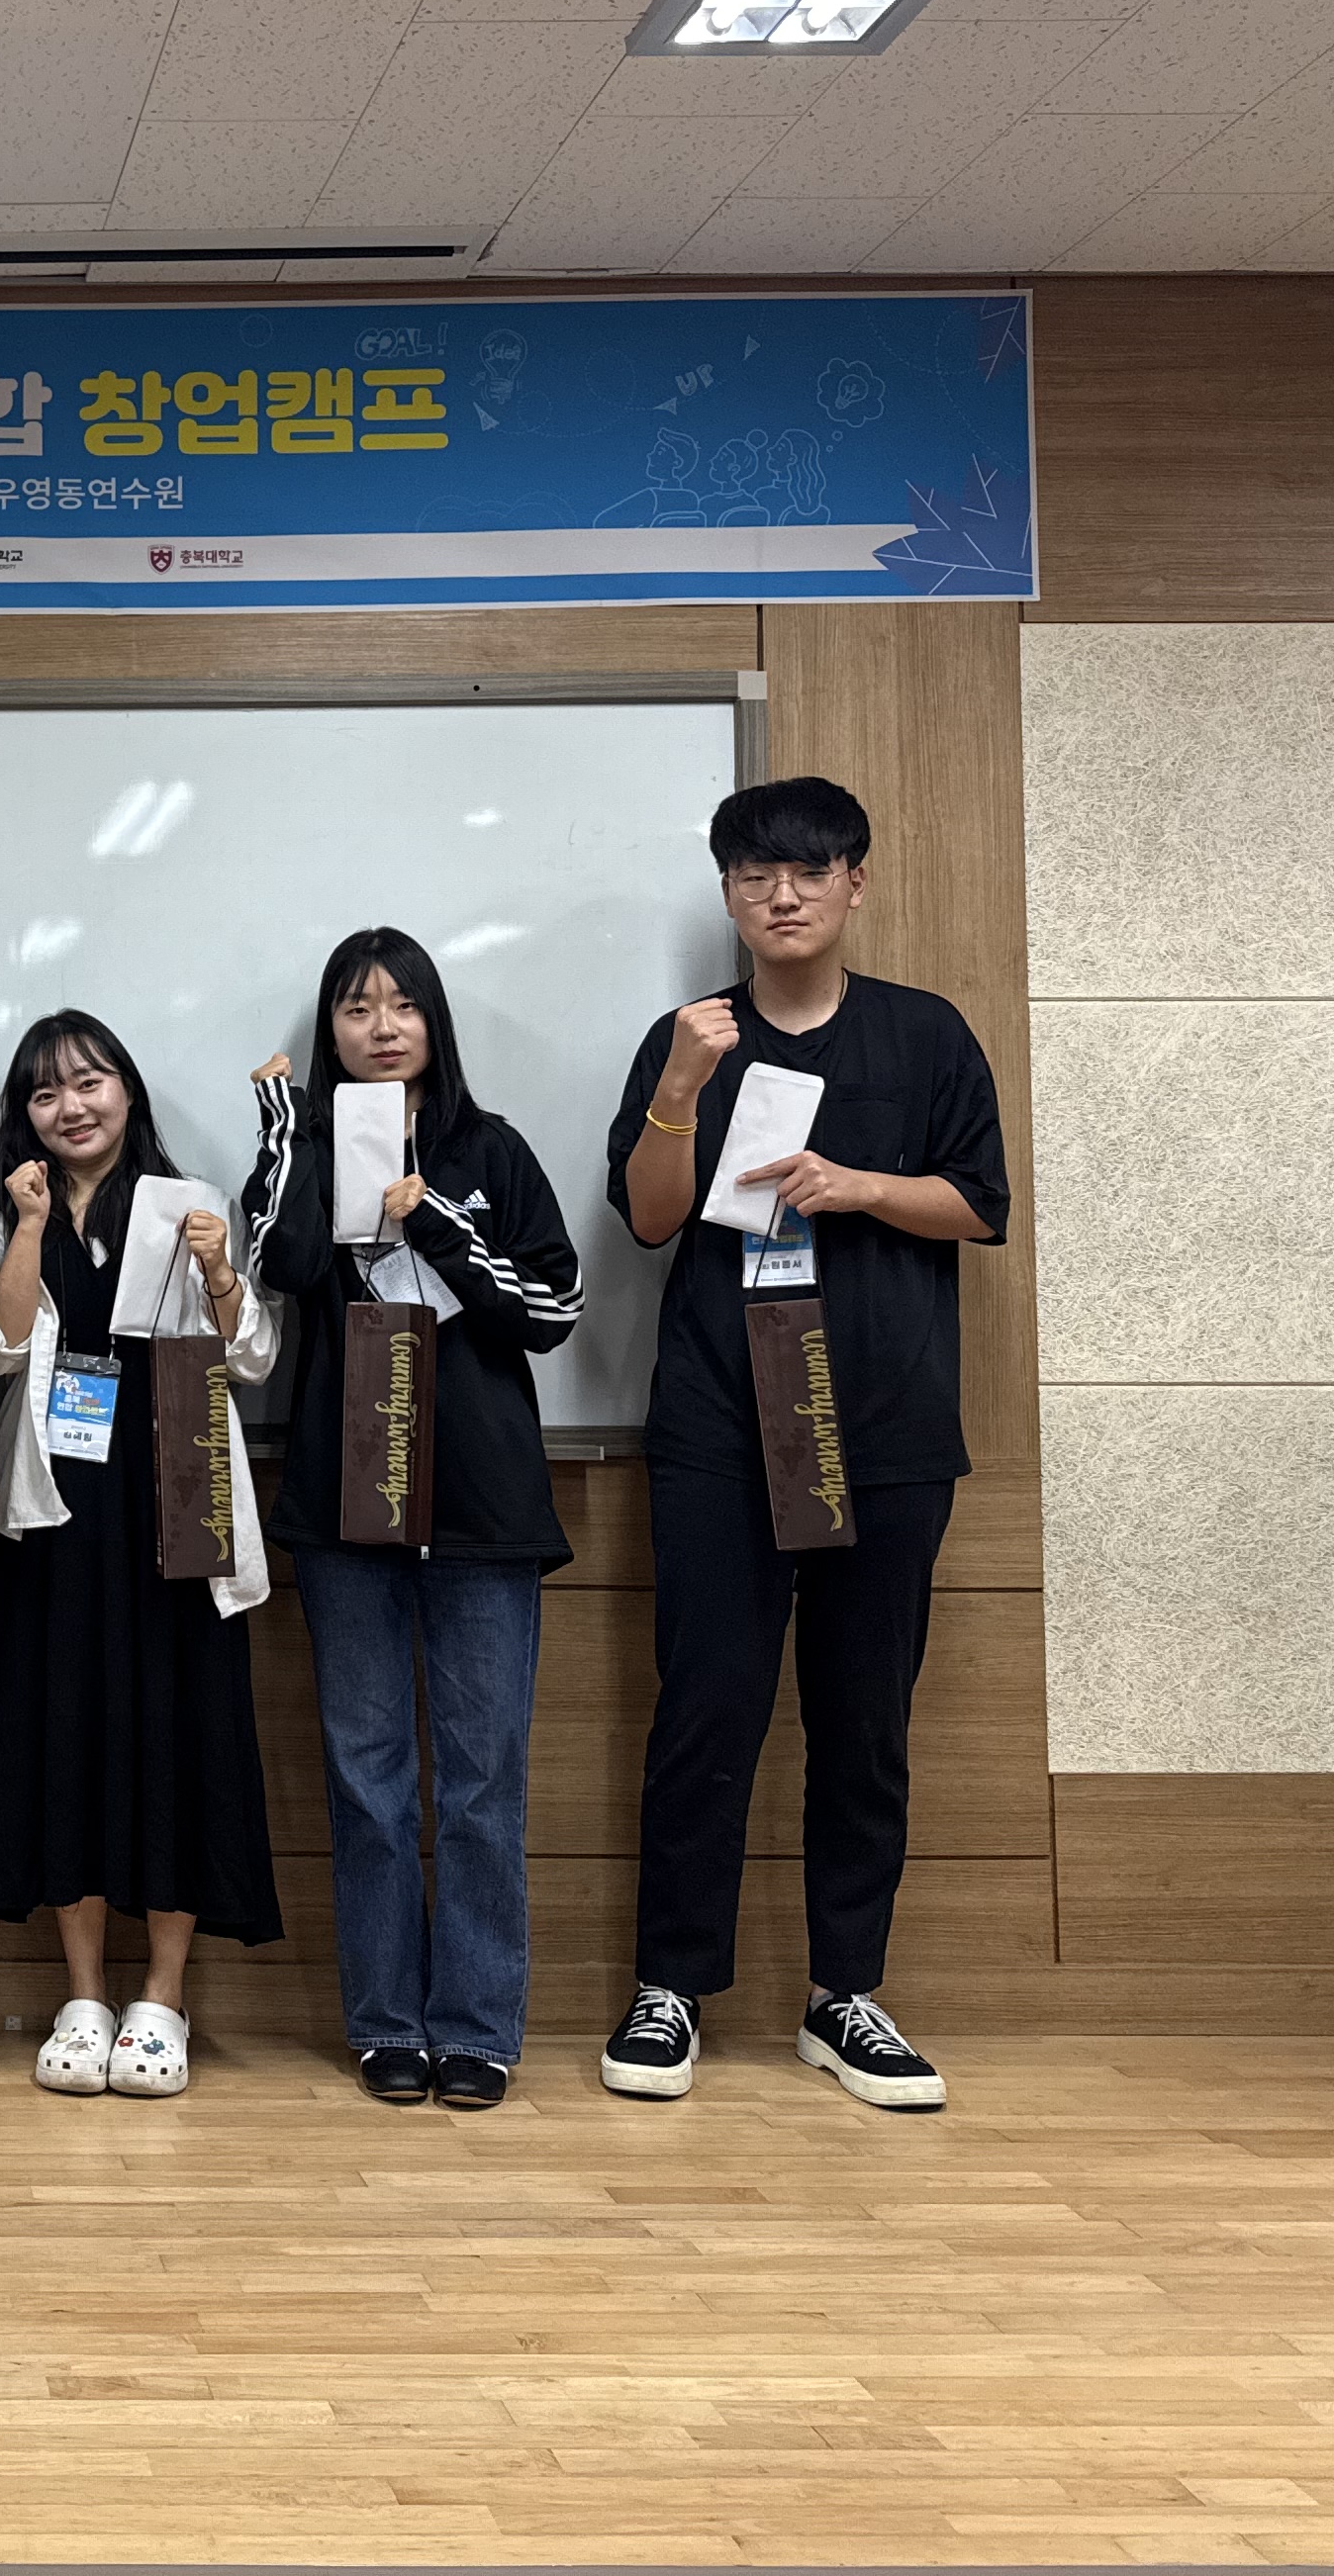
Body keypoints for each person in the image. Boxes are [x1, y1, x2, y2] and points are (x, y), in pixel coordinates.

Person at [599, 776, 1008, 2113]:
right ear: (725, 891)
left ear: (856, 884)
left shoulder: (924, 1034)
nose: (784, 895)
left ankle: (847, 1995)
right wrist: (680, 1085)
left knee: (864, 1720)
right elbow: (649, 1219)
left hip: (884, 1429)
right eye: (756, 874)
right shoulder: (686, 1038)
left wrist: (860, 1186)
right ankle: (671, 1987)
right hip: (721, 1424)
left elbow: (979, 1204)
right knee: (705, 1709)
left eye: (812, 870)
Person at [244, 930, 581, 2112]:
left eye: (402, 1005)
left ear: (435, 1022)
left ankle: (479, 2027)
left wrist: (435, 1218)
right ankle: (387, 2021)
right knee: (368, 1779)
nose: (381, 1027)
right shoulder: (310, 1145)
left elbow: (554, 1310)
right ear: (329, 1029)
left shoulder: (493, 1150)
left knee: (483, 1784)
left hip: (485, 1511)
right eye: (355, 1008)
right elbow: (281, 1266)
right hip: (346, 1511)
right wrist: (291, 1132)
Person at [0, 1009, 281, 2098]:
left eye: (90, 1081)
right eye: (47, 1092)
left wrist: (222, 1270)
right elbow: (0, 1350)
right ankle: (86, 1996)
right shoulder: (6, 1208)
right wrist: (27, 1228)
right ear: (27, 1113)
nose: (73, 1107)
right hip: (58, 1510)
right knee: (64, 1734)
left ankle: (164, 1995)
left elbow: (252, 1357)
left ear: (128, 1090)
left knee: (179, 1731)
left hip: (175, 1501)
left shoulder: (188, 1202)